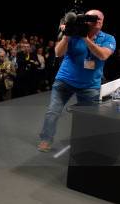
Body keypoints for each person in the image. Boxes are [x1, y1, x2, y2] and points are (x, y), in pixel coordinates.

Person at [37, 10, 116, 152]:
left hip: (89, 86)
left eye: (100, 19)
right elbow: (58, 53)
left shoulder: (108, 38)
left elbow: (103, 55)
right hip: (65, 80)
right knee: (53, 111)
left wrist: (85, 38)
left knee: (89, 117)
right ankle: (46, 139)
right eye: (94, 18)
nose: (98, 20)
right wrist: (67, 36)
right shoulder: (73, 34)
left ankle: (84, 143)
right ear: (85, 20)